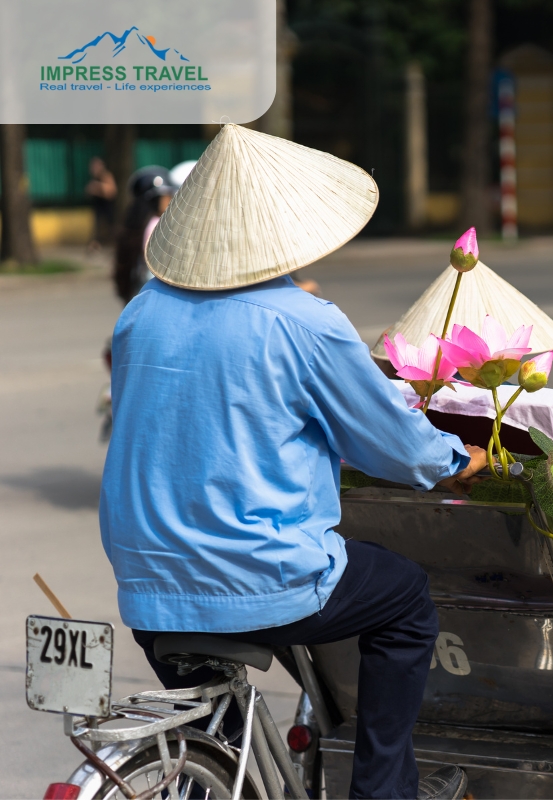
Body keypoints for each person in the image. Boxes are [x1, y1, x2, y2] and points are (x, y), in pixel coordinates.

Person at [100, 124, 486, 799]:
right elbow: (393, 444)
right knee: (403, 599)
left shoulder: (141, 313)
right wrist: (457, 458)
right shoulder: (303, 320)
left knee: (217, 744)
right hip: (260, 571)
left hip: (148, 581)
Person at [112, 166, 176, 304]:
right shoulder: (157, 225)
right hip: (157, 295)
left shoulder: (135, 228)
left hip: (139, 294)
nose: (171, 200)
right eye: (167, 196)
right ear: (154, 198)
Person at [85, 156, 116, 252]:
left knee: (109, 225)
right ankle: (95, 244)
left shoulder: (106, 176)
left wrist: (97, 187)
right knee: (97, 226)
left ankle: (113, 243)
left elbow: (111, 191)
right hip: (98, 206)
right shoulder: (94, 178)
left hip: (107, 206)